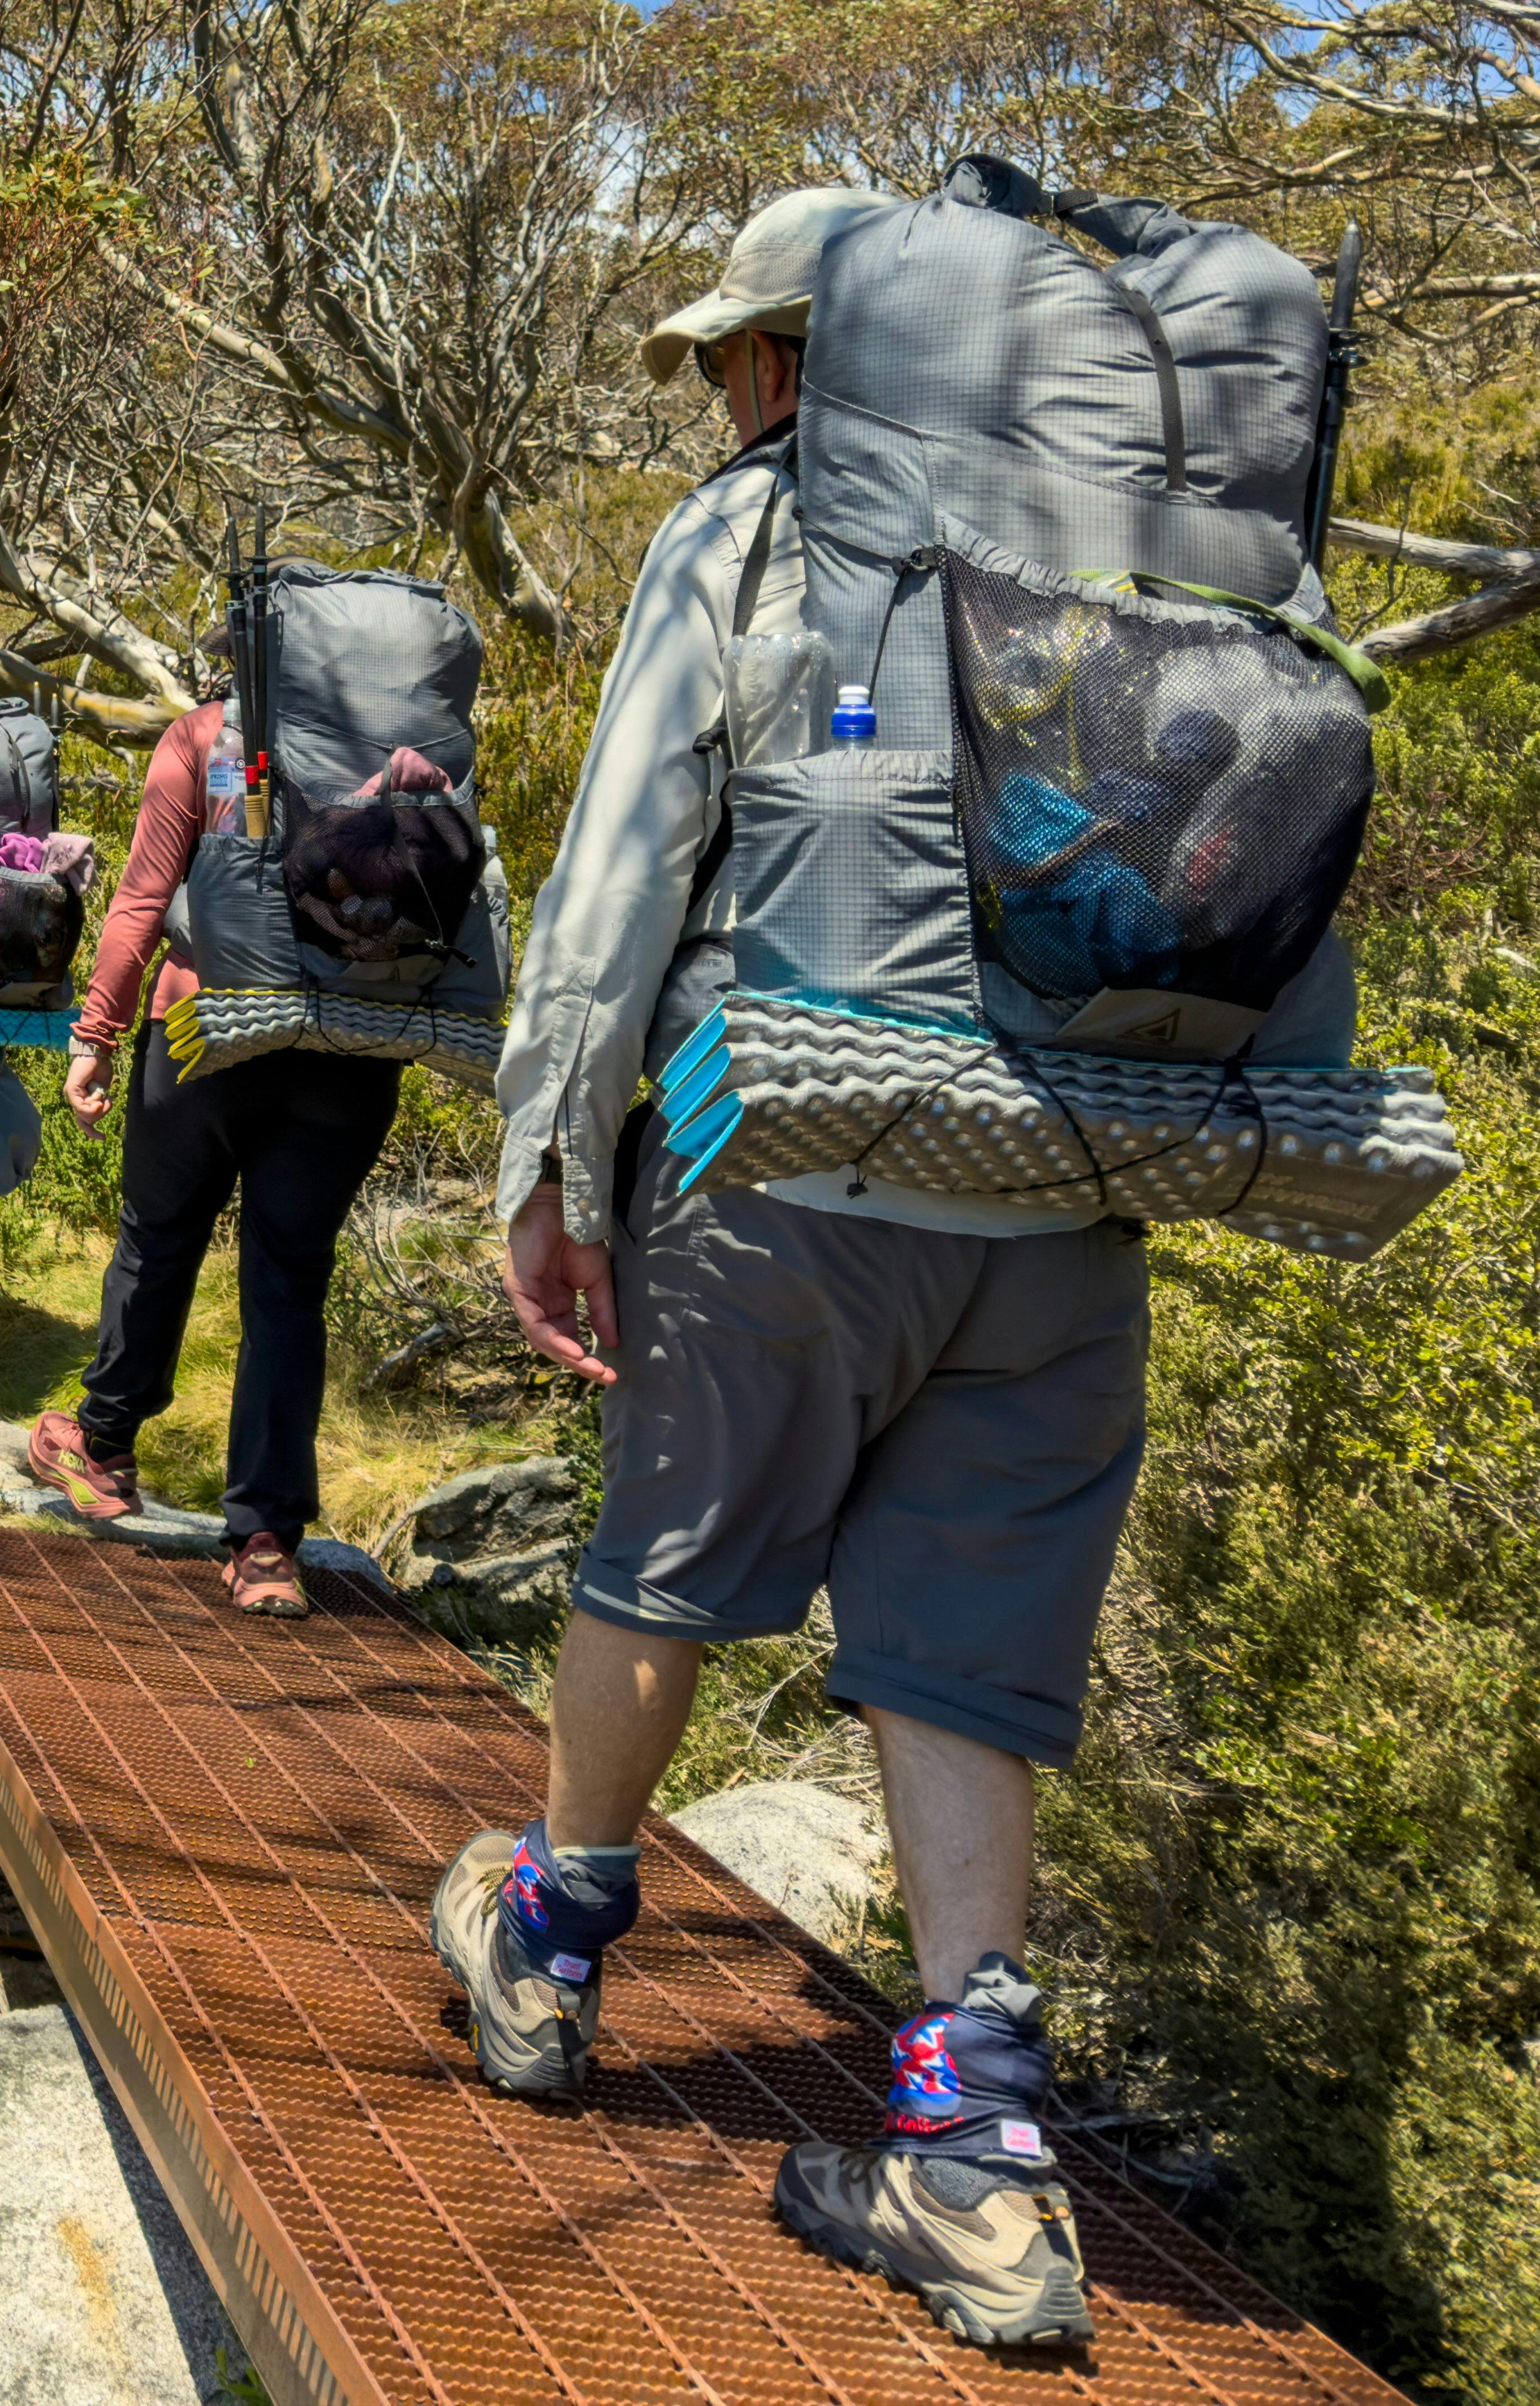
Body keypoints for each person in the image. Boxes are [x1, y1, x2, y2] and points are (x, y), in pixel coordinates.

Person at [426, 185, 1121, 2357]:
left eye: (737, 349)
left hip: (788, 1147)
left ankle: (548, 1930)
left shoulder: (745, 532)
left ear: (797, 356)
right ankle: (982, 2148)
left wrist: (552, 1148)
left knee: (663, 1546)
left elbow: (628, 852)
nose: (723, 385)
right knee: (958, 1648)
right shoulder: (1099, 523)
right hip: (1067, 1179)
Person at [24, 673, 403, 1619]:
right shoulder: (401, 743)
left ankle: (102, 1446)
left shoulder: (203, 739)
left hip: (206, 1026)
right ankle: (264, 1543)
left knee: (158, 1232)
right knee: (286, 1282)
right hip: (351, 1053)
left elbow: (142, 895)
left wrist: (94, 1034)